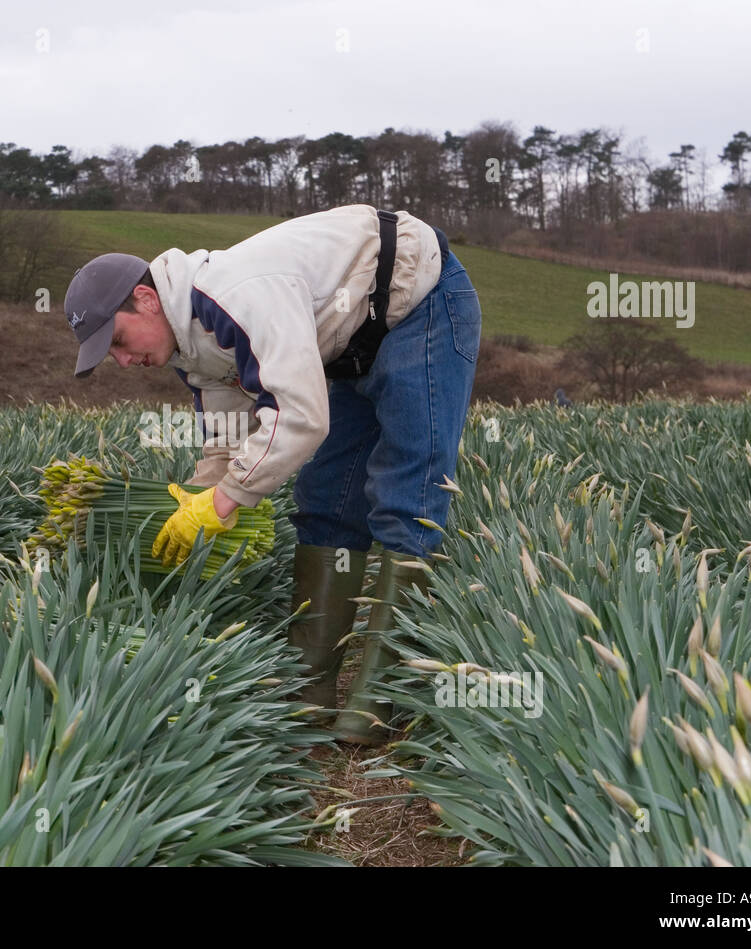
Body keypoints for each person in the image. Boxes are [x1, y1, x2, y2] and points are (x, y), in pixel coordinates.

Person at [64, 204, 481, 745]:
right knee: (327, 498)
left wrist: (226, 501)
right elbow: (228, 440)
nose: (122, 361)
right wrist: (197, 498)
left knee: (409, 488)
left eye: (118, 341)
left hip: (419, 302)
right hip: (348, 339)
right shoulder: (193, 346)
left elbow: (300, 417)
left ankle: (380, 693)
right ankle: (310, 684)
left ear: (145, 299)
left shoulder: (237, 295)